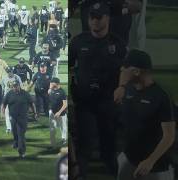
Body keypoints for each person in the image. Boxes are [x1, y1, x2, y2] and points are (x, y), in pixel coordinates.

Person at [70, 2, 127, 179]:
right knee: (85, 144)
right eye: (91, 17)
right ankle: (81, 175)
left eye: (99, 17)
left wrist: (122, 87)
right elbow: (69, 66)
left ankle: (112, 174)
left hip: (108, 103)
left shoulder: (117, 44)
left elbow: (126, 68)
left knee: (108, 145)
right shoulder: (78, 42)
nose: (95, 21)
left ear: (107, 18)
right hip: (84, 103)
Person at [116, 50, 176, 180]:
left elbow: (169, 136)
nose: (122, 69)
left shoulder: (161, 97)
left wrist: (150, 161)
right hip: (128, 160)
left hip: (156, 168)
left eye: (126, 67)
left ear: (136, 72)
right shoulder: (128, 91)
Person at [2, 80, 37, 158]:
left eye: (16, 86)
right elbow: (4, 104)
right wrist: (2, 113)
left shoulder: (25, 94)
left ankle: (21, 151)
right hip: (13, 117)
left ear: (19, 86)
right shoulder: (9, 94)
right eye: (13, 86)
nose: (15, 87)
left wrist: (35, 113)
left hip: (23, 118)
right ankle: (16, 142)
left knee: (21, 134)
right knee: (15, 132)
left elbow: (32, 103)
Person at [1, 66, 22, 133]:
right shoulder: (4, 78)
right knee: (7, 113)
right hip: (7, 98)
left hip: (16, 97)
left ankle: (17, 126)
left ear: (12, 71)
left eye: (10, 72)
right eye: (8, 72)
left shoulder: (17, 77)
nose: (9, 73)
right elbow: (3, 88)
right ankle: (9, 128)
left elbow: (21, 87)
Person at [48, 77, 68, 146]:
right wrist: (50, 88)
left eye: (52, 82)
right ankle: (52, 142)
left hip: (61, 114)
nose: (50, 83)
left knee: (63, 127)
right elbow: (48, 93)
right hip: (52, 112)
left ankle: (64, 139)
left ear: (56, 83)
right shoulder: (51, 90)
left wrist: (59, 112)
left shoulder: (62, 92)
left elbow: (65, 104)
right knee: (52, 128)